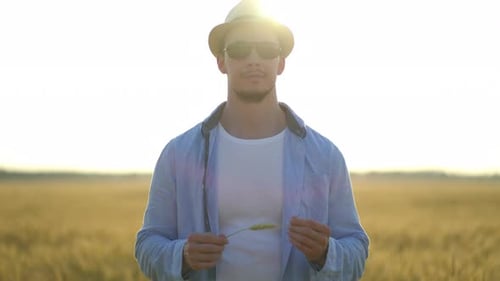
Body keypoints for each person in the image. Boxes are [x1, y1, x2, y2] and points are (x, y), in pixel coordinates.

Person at [135, 0, 369, 280]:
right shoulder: (179, 154)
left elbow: (356, 251)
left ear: (280, 63)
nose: (254, 59)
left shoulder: (325, 156)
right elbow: (147, 244)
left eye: (267, 50)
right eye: (239, 49)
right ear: (222, 62)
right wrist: (182, 256)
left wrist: (325, 253)